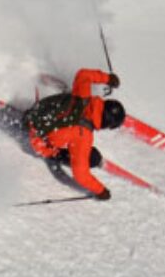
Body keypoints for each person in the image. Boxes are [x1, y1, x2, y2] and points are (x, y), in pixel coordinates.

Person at [22, 68, 125, 200]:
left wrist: (108, 79)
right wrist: (101, 191)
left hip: (39, 109)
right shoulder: (84, 137)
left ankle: (35, 115)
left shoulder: (84, 96)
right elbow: (81, 175)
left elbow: (83, 74)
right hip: (38, 140)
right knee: (92, 157)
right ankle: (53, 153)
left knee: (71, 95)